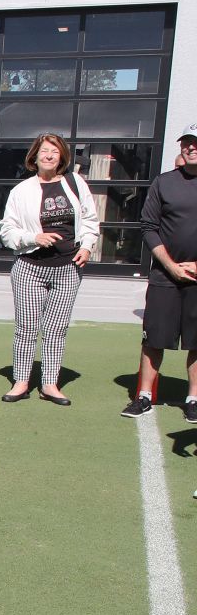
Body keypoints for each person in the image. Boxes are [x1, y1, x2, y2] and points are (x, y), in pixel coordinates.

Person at [0, 133, 100, 405]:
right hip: (30, 268)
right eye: (44, 151)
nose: (49, 156)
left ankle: (50, 384)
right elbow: (7, 231)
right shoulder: (22, 191)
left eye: (55, 151)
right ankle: (21, 382)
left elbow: (90, 219)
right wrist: (35, 238)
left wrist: (87, 246)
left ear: (62, 157)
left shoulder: (76, 183)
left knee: (56, 328)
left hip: (68, 268)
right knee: (26, 327)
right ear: (35, 156)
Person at [121, 122, 197, 420]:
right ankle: (143, 396)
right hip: (165, 276)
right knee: (153, 338)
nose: (190, 147)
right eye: (186, 142)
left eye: (196, 143)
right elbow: (149, 227)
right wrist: (170, 266)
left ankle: (193, 399)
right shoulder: (164, 182)